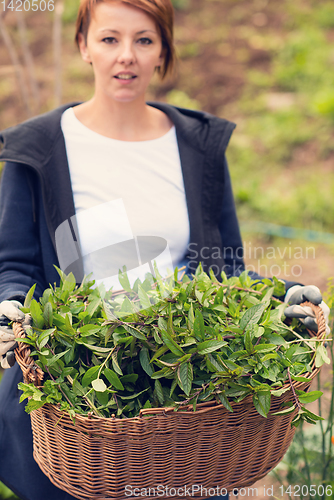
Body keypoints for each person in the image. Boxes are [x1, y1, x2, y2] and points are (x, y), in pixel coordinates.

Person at [0, 0, 330, 499]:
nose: (126, 56)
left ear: (163, 54)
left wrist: (281, 299)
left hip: (187, 389)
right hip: (80, 400)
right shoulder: (39, 148)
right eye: (109, 39)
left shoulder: (197, 146)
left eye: (144, 40)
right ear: (84, 46)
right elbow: (16, 265)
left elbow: (225, 273)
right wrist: (12, 309)